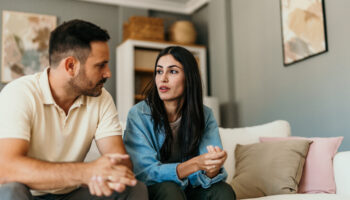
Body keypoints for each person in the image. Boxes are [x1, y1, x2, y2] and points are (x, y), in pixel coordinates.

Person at [0, 19, 147, 200]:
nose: (108, 73)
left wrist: (107, 174)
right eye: (101, 65)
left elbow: (121, 165)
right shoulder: (19, 93)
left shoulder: (101, 98)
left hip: (71, 194)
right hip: (28, 193)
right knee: (10, 190)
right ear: (71, 66)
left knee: (133, 188)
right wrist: (85, 172)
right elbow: (6, 168)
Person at [123, 46, 236, 200]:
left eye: (173, 71)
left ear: (189, 78)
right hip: (156, 188)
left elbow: (206, 174)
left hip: (190, 188)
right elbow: (144, 172)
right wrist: (196, 164)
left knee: (223, 191)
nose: (163, 78)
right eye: (159, 71)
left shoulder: (205, 114)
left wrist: (212, 167)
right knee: (170, 190)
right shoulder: (138, 114)